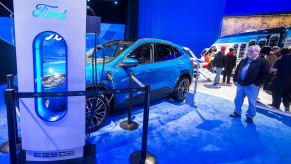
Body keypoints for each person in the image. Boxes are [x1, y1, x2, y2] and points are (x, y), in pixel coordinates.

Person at [230, 45, 270, 123]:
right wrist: (235, 80)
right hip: (240, 84)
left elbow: (265, 74)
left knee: (252, 102)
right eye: (248, 51)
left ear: (257, 52)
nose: (249, 52)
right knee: (238, 99)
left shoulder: (263, 62)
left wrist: (257, 83)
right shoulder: (244, 60)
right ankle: (237, 112)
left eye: (251, 51)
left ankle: (250, 116)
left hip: (252, 86)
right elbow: (237, 71)